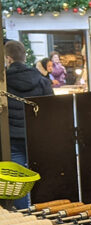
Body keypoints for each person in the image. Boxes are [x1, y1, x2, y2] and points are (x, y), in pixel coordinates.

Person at [4, 40, 53, 208]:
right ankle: (43, 214)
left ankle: (24, 214)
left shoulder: (4, 82)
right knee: (41, 175)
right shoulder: (40, 80)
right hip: (37, 136)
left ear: (8, 59)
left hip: (13, 137)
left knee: (18, 179)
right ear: (25, 57)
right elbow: (52, 107)